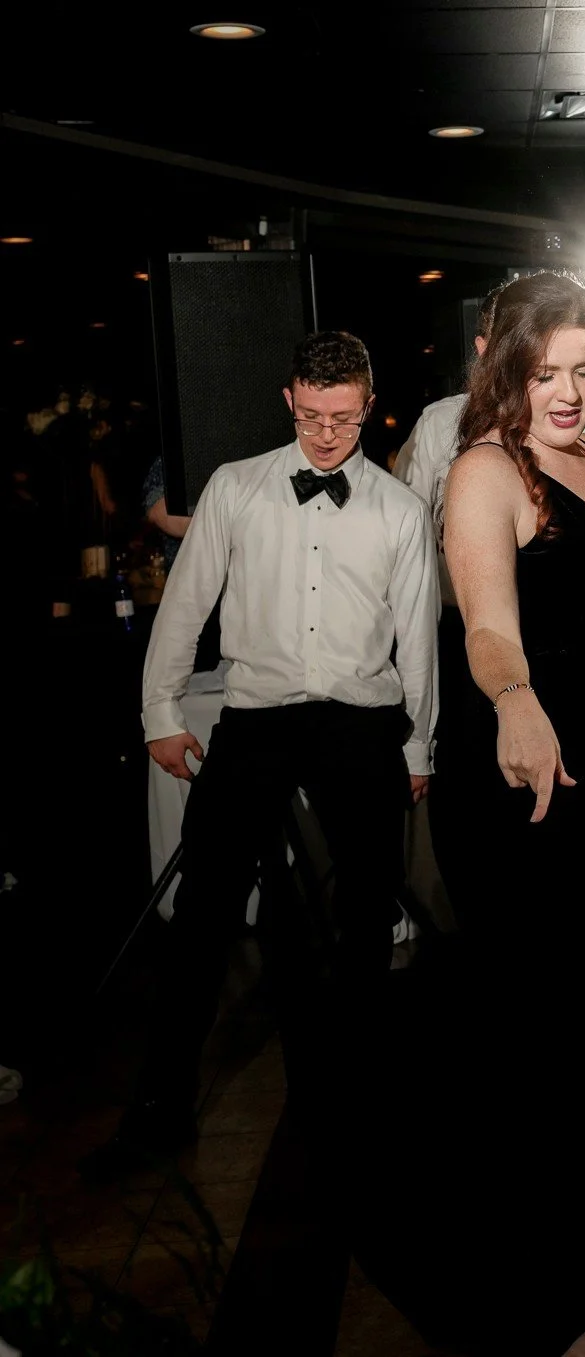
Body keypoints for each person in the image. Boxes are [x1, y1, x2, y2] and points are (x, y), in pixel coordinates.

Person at [366, 271, 585, 1357]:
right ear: (504, 369)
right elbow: (488, 623)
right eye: (543, 372)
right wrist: (514, 698)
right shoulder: (489, 467)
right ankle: (547, 1304)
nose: (565, 391)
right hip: (538, 787)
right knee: (556, 1046)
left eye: (584, 370)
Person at [87, 332, 438, 1177]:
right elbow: (185, 605)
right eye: (312, 416)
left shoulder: (399, 509)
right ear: (289, 400)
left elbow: (418, 637)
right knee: (202, 912)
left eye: (344, 417)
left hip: (361, 721)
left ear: (368, 404)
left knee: (366, 918)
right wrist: (160, 710)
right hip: (256, 718)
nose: (327, 434)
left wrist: (419, 744)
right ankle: (159, 1109)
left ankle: (357, 1108)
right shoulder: (234, 486)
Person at [392, 283, 501, 930]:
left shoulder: (572, 418)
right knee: (467, 785)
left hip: (547, 634)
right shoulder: (440, 423)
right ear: (484, 347)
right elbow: (405, 539)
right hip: (459, 632)